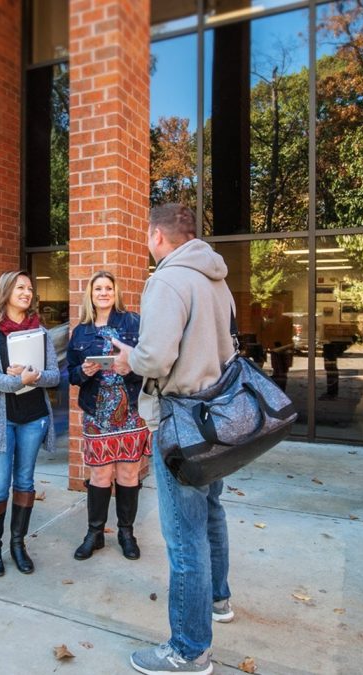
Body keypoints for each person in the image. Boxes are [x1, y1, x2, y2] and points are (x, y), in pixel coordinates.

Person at [112, 204, 235, 675]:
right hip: (219, 418)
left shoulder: (166, 280)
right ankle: (218, 600)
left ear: (157, 235)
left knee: (184, 538)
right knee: (211, 514)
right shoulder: (215, 278)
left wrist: (129, 359)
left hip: (180, 421)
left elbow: (157, 358)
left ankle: (188, 648)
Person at [0, 270, 59, 577]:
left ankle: (18, 544)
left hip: (33, 419)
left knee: (25, 483)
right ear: (6, 291)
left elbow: (54, 376)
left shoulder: (41, 332)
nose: (27, 292)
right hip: (1, 419)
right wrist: (14, 380)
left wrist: (32, 377)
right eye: (20, 287)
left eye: (30, 289)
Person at [66, 271, 149, 561]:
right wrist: (84, 372)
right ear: (90, 294)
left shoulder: (133, 322)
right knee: (100, 474)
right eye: (98, 288)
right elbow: (71, 374)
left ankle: (126, 532)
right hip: (97, 413)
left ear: (116, 292)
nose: (103, 292)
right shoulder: (81, 332)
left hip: (130, 411)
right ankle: (95, 533)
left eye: (108, 288)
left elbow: (151, 360)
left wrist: (133, 367)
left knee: (128, 472)